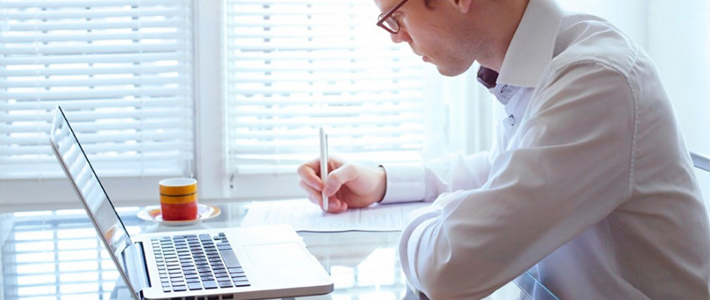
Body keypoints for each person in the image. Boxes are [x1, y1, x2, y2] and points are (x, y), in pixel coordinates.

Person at [297, 0, 710, 298]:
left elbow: (449, 268)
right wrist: (385, 183)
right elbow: (508, 169)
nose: (397, 38)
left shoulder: (596, 81)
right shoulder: (544, 61)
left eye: (396, 17)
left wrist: (433, 214)